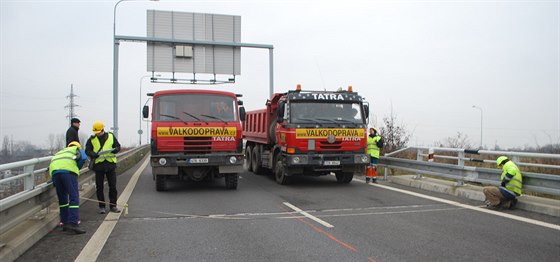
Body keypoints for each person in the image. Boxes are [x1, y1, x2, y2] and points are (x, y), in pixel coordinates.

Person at [49, 141, 87, 234]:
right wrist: (77, 167)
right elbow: (83, 158)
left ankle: (65, 222)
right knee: (74, 197)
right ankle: (73, 223)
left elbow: (51, 164)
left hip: (55, 174)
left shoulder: (60, 152)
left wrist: (53, 179)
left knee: (63, 199)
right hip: (68, 173)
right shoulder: (76, 149)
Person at [85, 121, 121, 214]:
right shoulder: (92, 139)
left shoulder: (111, 136)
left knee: (112, 187)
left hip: (110, 165)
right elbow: (87, 150)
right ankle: (102, 206)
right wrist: (93, 154)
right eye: (95, 132)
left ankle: (113, 206)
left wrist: (116, 150)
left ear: (102, 129)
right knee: (99, 187)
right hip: (99, 166)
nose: (96, 134)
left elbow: (118, 146)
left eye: (98, 132)